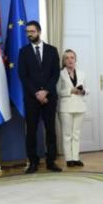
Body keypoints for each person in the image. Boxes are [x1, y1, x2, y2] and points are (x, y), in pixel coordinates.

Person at [17, 20, 62, 173]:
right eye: (27, 32)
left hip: (49, 98)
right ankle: (33, 162)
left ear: (39, 31)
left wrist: (46, 91)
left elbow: (55, 74)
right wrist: (37, 93)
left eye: (32, 31)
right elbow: (23, 76)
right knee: (31, 131)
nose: (29, 34)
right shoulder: (23, 52)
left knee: (50, 130)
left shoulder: (52, 50)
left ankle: (51, 161)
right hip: (32, 98)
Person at [57, 49, 88, 167]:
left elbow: (87, 89)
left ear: (75, 59)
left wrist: (83, 91)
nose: (70, 60)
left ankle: (76, 158)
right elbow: (58, 91)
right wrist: (71, 91)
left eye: (72, 57)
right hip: (66, 108)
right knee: (67, 134)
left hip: (80, 106)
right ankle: (69, 159)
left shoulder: (82, 73)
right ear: (64, 61)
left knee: (76, 134)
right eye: (67, 58)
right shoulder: (60, 74)